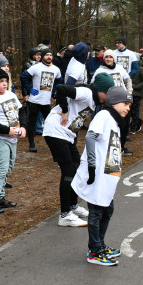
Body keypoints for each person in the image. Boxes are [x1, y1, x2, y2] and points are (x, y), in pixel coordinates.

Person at [71, 86, 131, 266]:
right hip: (96, 173)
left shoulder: (115, 120)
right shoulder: (104, 115)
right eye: (125, 103)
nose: (128, 108)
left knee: (107, 209)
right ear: (114, 102)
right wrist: (91, 164)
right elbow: (90, 137)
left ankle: (100, 245)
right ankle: (94, 252)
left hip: (108, 174)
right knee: (96, 212)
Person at [45, 83, 97, 227]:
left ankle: (73, 205)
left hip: (67, 135)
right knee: (68, 171)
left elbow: (77, 120)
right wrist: (65, 110)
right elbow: (61, 88)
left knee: (77, 168)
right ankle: (65, 215)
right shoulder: (87, 93)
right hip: (55, 131)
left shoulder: (94, 102)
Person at [0, 67, 25, 214]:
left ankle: (1, 197)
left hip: (13, 138)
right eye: (0, 81)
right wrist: (7, 130)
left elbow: (21, 111)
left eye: (5, 81)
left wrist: (24, 126)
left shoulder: (10, 95)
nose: (4, 84)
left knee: (9, 168)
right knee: (1, 168)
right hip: (0, 138)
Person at [22, 48, 62, 153]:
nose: (49, 57)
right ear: (43, 56)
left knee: (49, 123)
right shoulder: (36, 67)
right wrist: (29, 89)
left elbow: (59, 80)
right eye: (47, 55)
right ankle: (31, 144)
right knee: (32, 123)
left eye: (50, 55)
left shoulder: (56, 69)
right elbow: (23, 77)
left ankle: (53, 144)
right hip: (34, 101)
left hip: (46, 101)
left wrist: (54, 91)